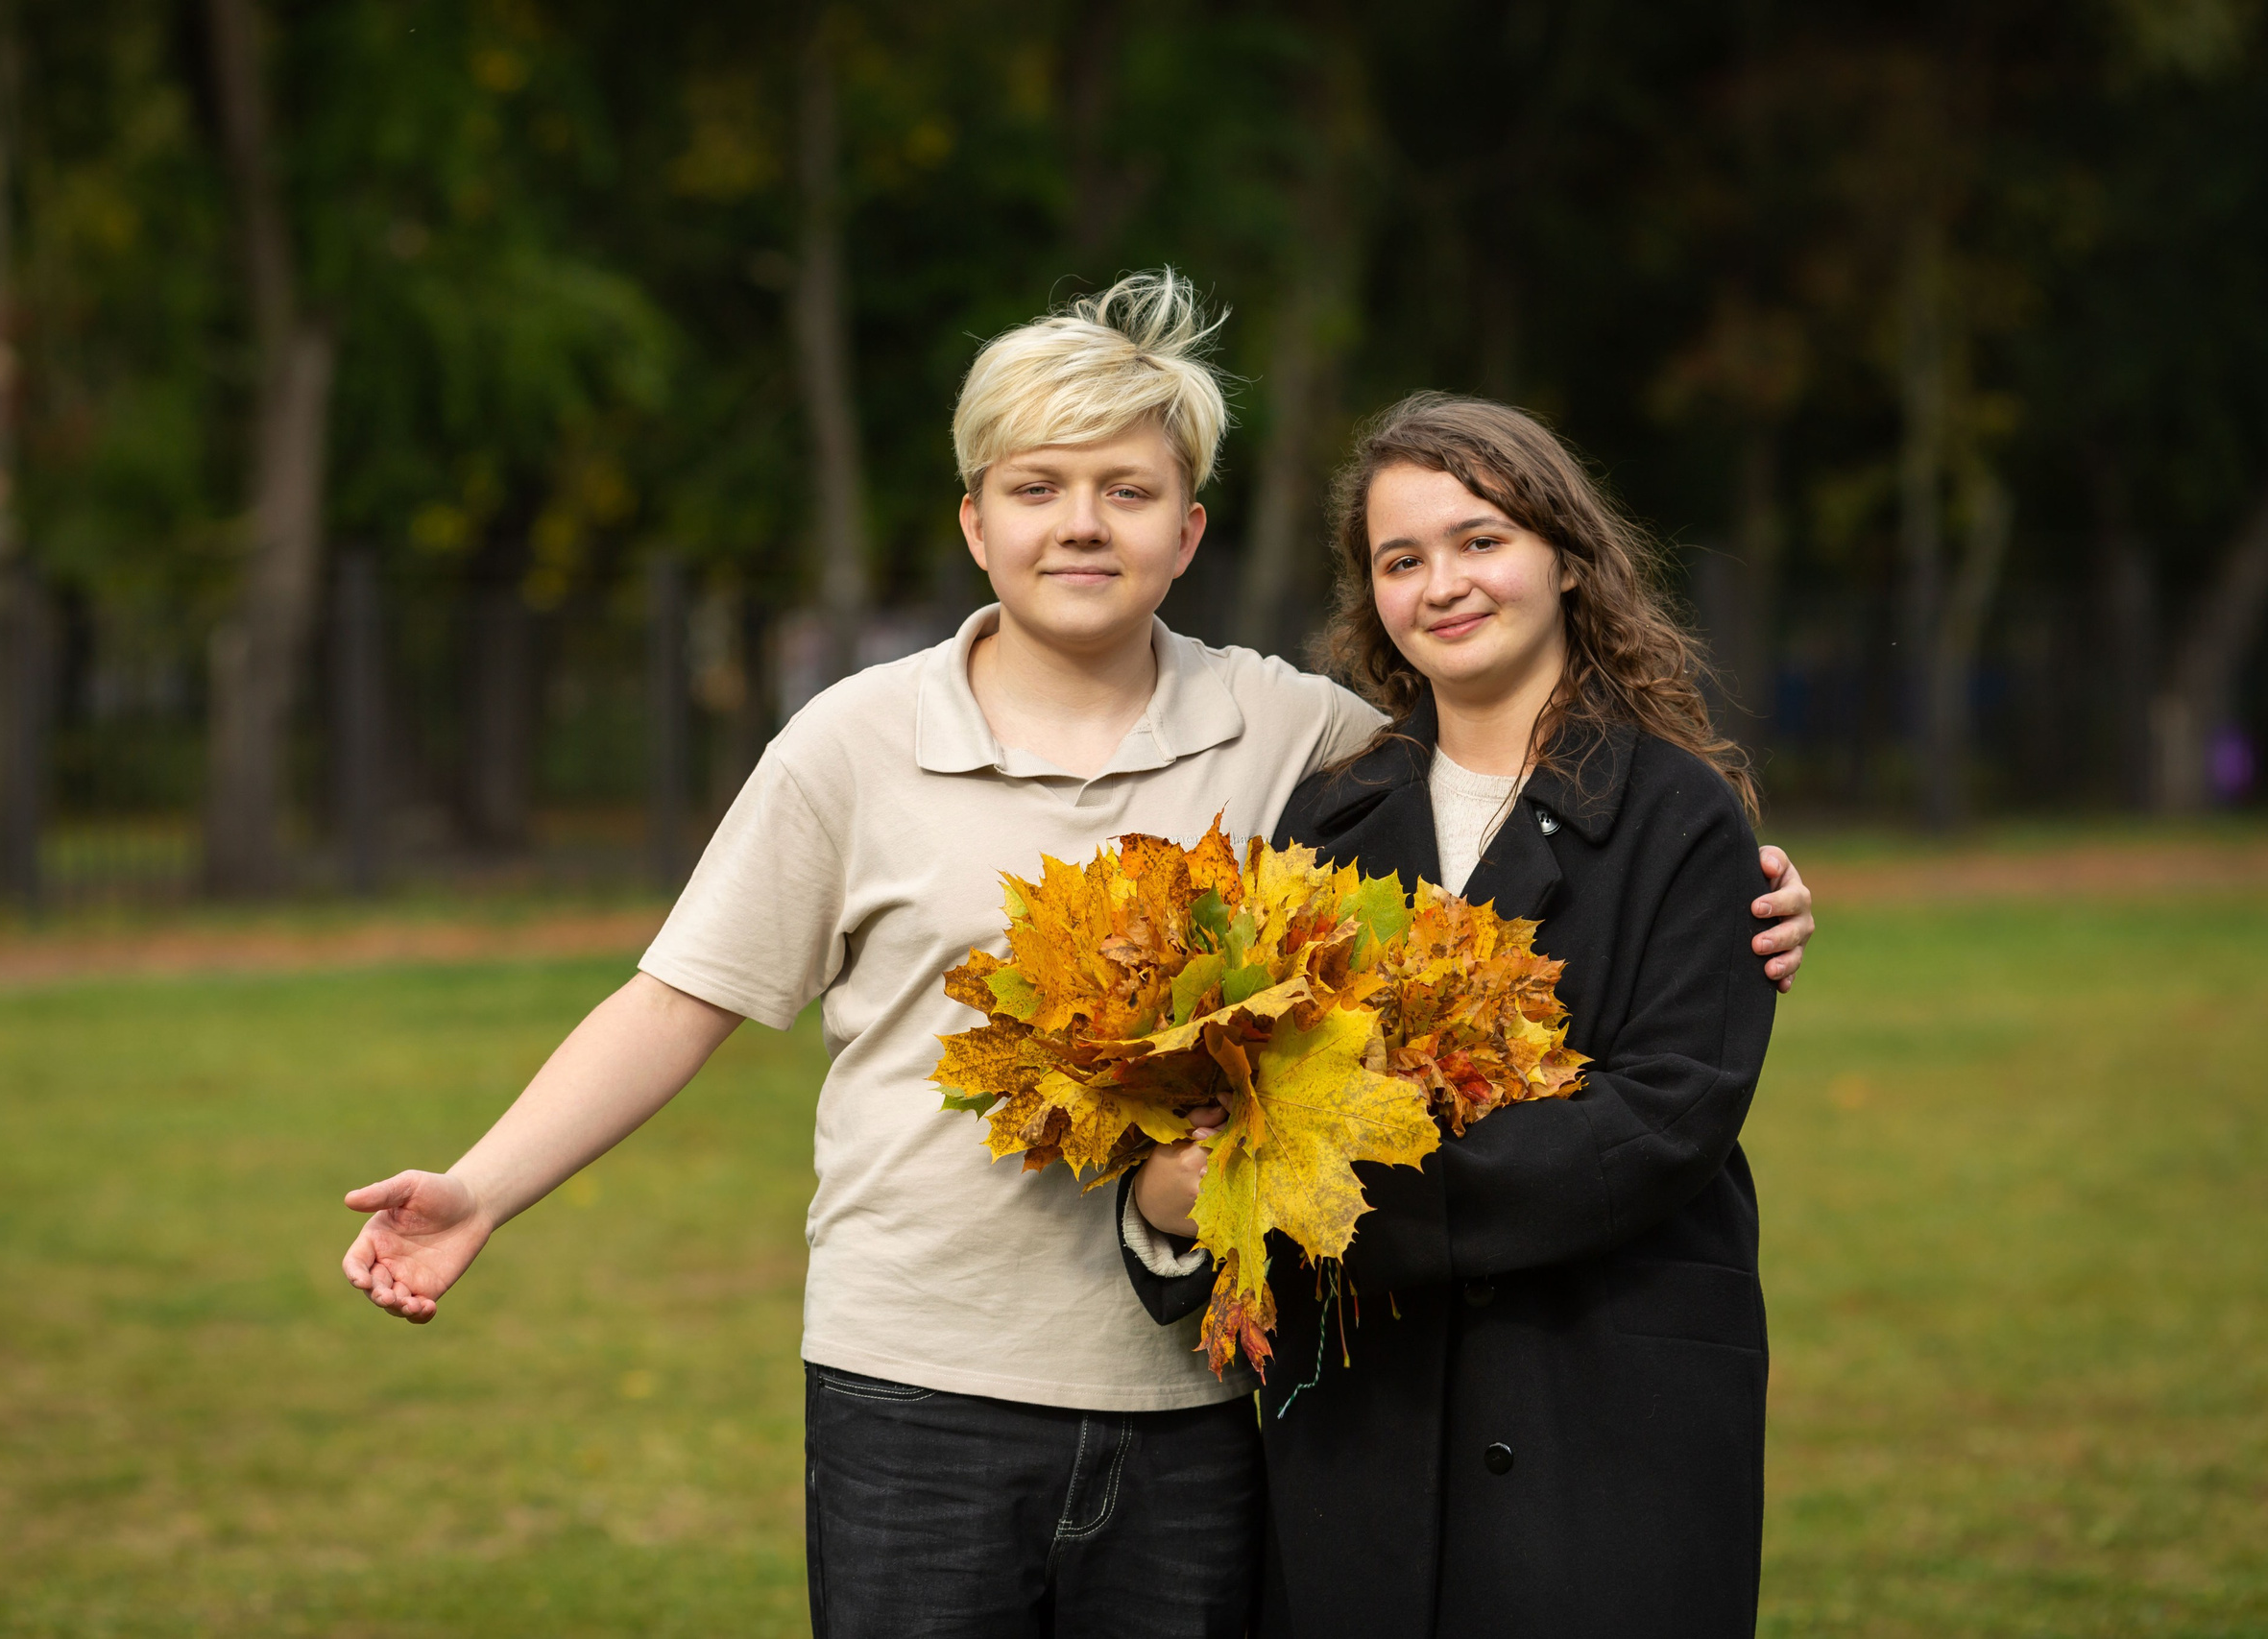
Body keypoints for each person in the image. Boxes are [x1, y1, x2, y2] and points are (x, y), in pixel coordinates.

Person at [339, 282, 1817, 1639]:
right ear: (977, 523)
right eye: (1037, 490)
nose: (1083, 526)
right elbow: (677, 999)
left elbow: (1520, 793)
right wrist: (483, 1188)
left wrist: (1741, 893)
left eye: (1129, 492)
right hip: (916, 1386)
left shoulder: (1299, 742)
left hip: (1198, 1400)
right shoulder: (852, 744)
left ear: (1188, 531)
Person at [1127, 393, 1786, 1639]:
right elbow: (1251, 1089)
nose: (1445, 583)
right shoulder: (1326, 824)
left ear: (1564, 554)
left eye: (1481, 539)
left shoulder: (1681, 810)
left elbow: (1665, 1117)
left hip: (1603, 1411)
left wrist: (1340, 1197)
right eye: (1401, 558)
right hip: (1370, 1430)